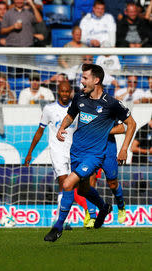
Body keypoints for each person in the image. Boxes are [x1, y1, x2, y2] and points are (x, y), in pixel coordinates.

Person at [44, 64, 136, 242]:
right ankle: (103, 207)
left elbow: (131, 124)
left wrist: (124, 149)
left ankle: (57, 227)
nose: (81, 81)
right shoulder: (79, 97)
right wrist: (62, 127)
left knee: (69, 184)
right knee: (84, 189)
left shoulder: (111, 103)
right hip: (77, 152)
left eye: (85, 78)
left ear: (96, 80)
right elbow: (71, 115)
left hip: (94, 155)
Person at [25, 81, 91, 229]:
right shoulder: (49, 109)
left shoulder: (77, 109)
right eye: (63, 91)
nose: (65, 94)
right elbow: (40, 131)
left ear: (71, 92)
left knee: (73, 185)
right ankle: (60, 220)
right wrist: (30, 153)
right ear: (58, 91)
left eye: (68, 91)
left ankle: (64, 217)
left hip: (74, 151)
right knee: (63, 182)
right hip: (57, 151)